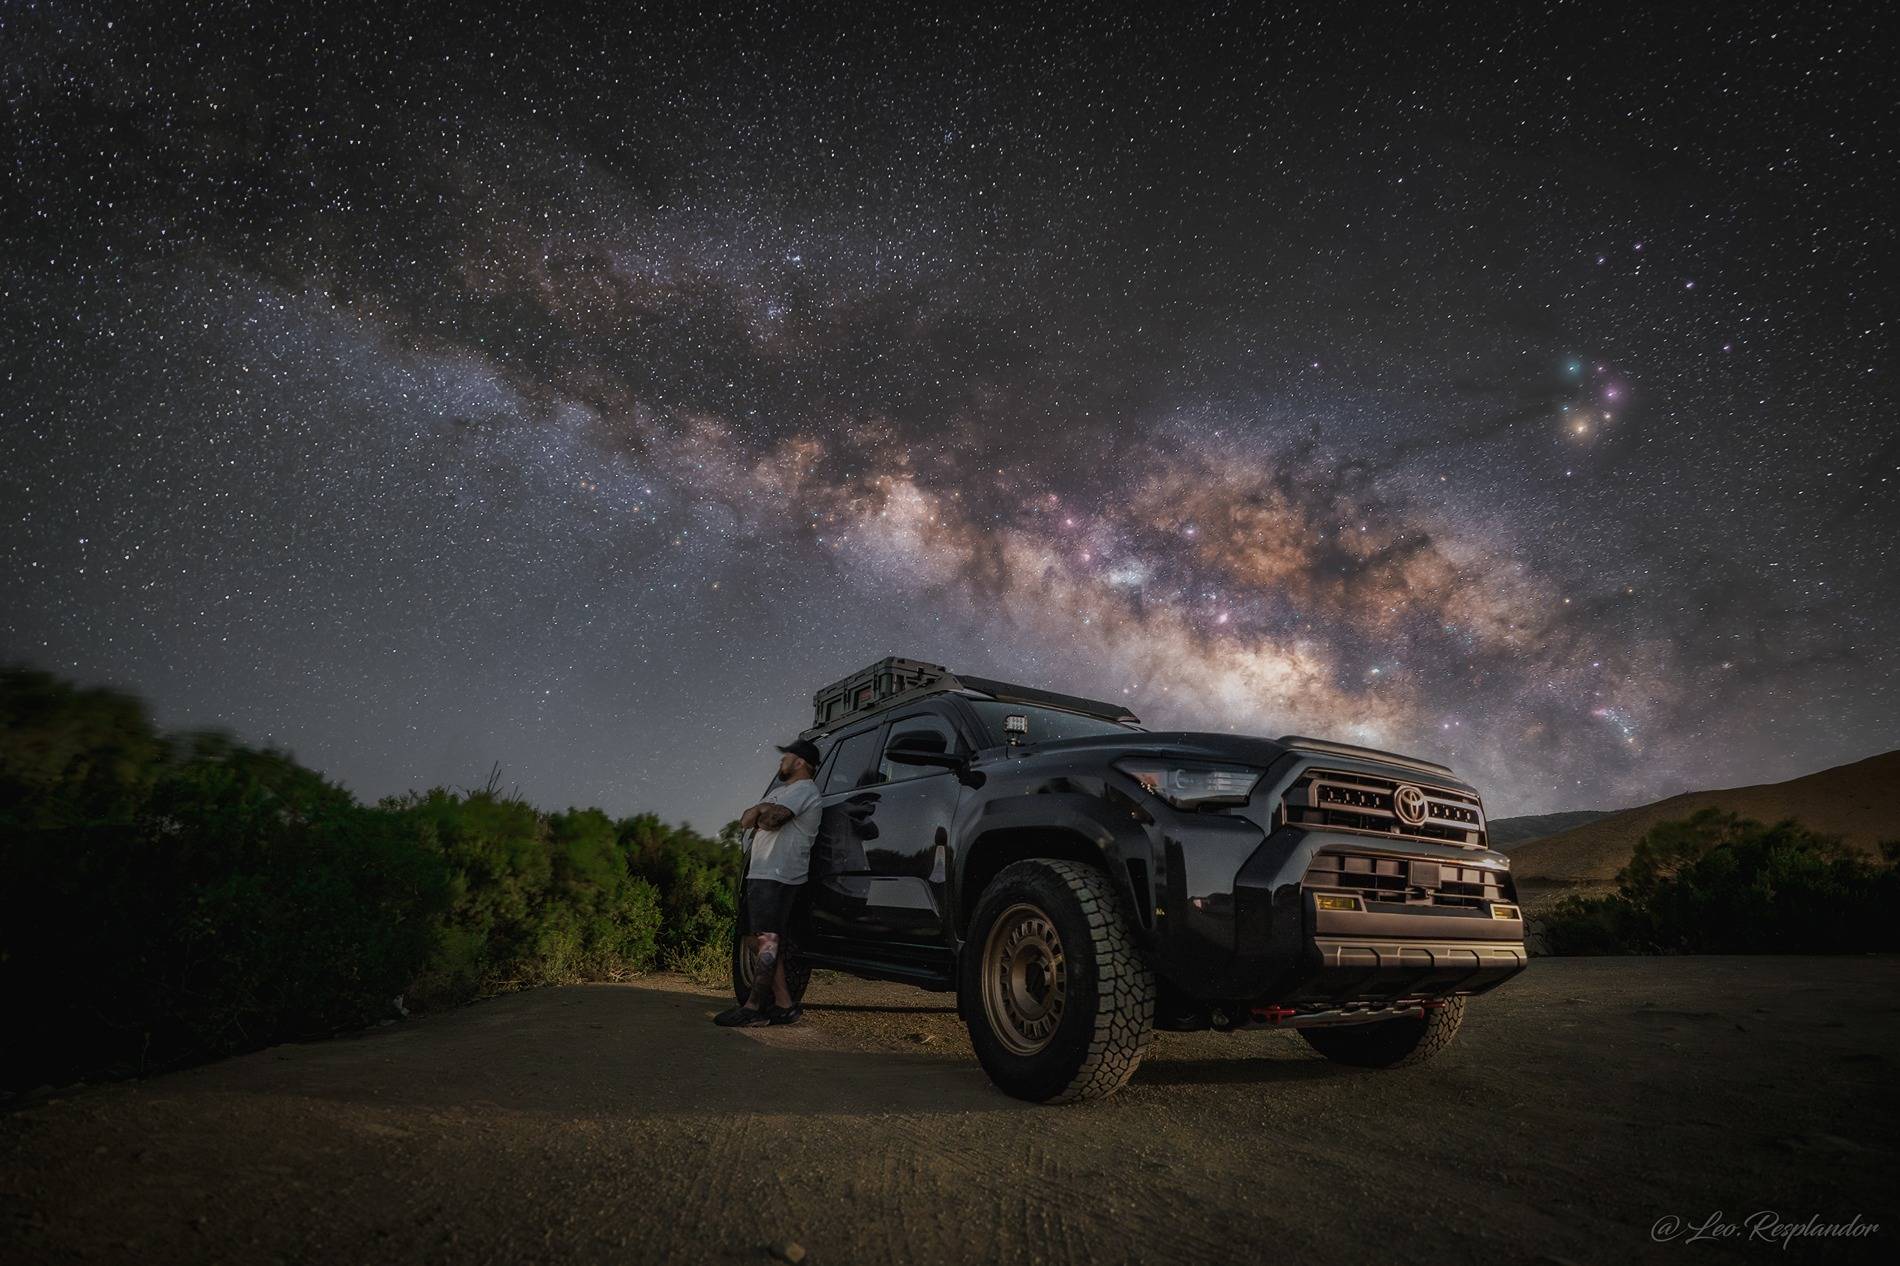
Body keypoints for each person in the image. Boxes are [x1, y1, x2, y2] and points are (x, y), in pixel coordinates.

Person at [714, 738, 823, 1028]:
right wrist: (761, 809)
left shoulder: (805, 790)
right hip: (761, 873)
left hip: (780, 874)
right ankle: (785, 1005)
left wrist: (762, 811)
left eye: (784, 757)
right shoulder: (780, 792)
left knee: (767, 939)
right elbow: (745, 820)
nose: (780, 763)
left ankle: (754, 1009)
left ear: (799, 762)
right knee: (754, 938)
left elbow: (771, 821)